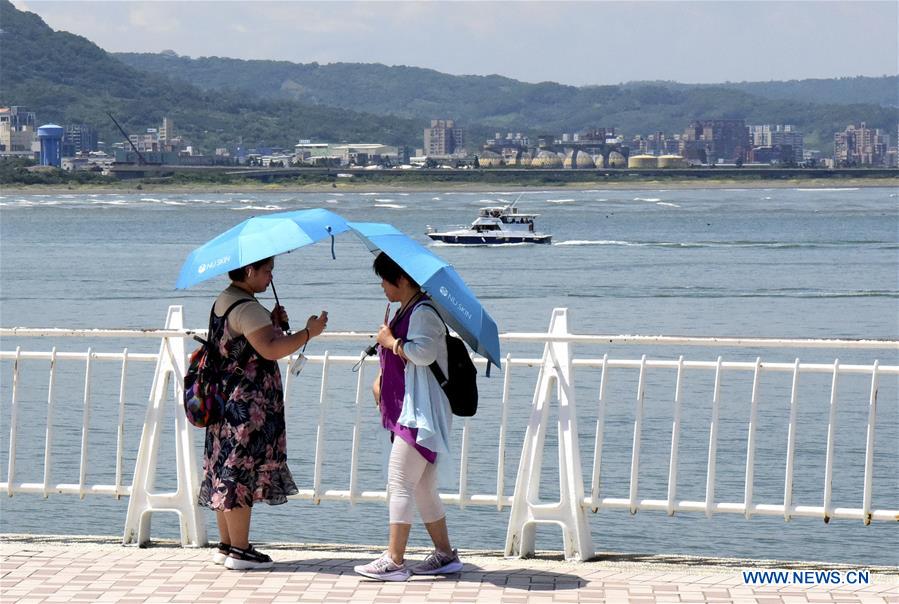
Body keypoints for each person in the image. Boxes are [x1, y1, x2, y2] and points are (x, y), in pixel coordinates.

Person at [198, 256, 328, 570]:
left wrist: (270, 320)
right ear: (249, 271)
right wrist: (309, 332)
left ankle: (228, 545)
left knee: (224, 465)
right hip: (248, 402)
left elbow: (246, 342)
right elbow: (272, 349)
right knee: (240, 471)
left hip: (225, 397)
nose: (270, 277)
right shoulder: (248, 308)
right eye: (267, 270)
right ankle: (241, 552)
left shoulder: (226, 300)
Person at [354, 253, 463, 582]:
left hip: (421, 413)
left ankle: (395, 561)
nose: (382, 286)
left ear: (402, 279)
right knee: (423, 488)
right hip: (409, 409)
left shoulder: (424, 312)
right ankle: (445, 555)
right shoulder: (407, 308)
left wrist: (392, 342)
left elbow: (423, 353)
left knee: (399, 481)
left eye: (385, 280)